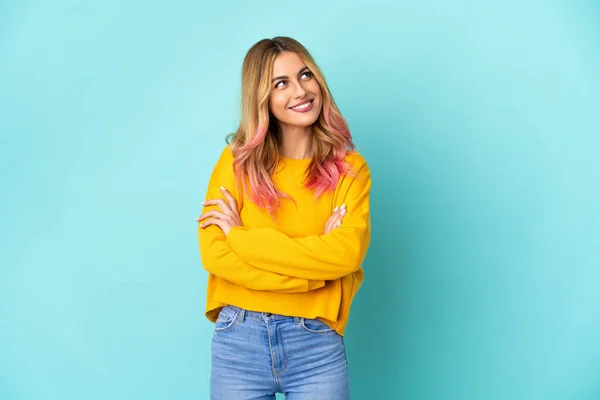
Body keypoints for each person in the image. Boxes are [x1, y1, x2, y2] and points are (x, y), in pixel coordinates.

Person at [195, 36, 371, 400]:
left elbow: (346, 255)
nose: (300, 90)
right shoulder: (236, 163)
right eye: (281, 83)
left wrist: (241, 239)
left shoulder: (350, 171)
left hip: (315, 347)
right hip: (238, 343)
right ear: (263, 98)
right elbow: (215, 256)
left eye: (306, 75)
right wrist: (315, 276)